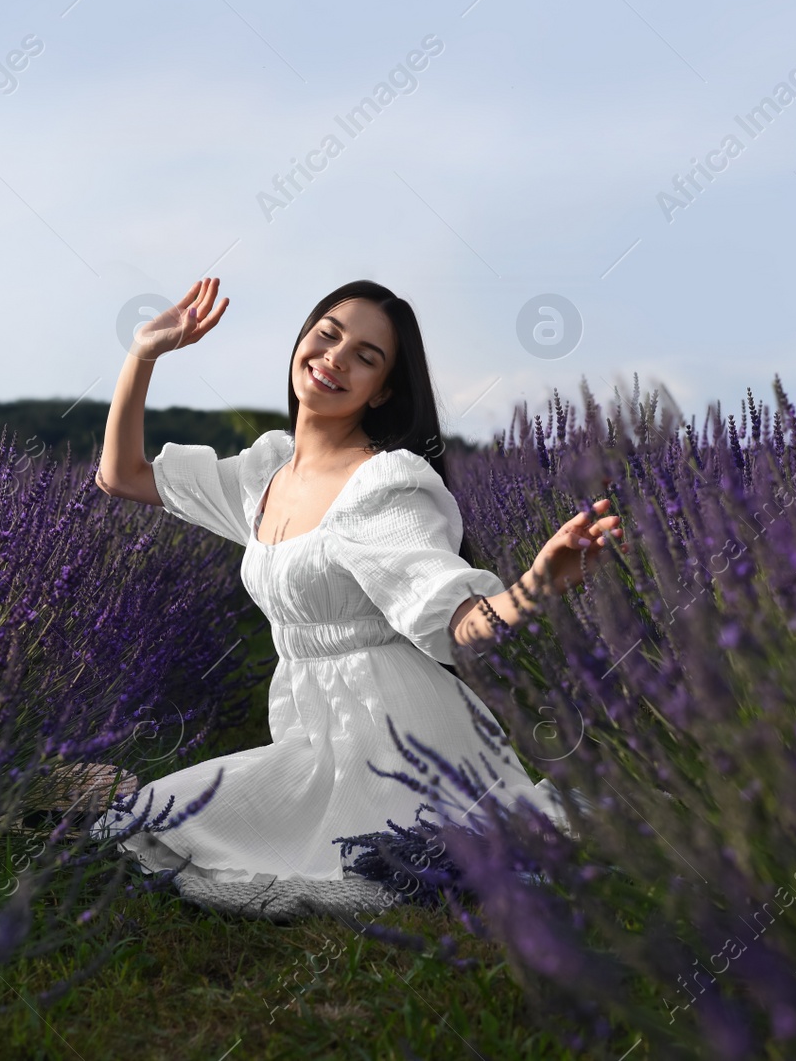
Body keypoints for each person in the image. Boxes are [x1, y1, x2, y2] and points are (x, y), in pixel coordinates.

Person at [88, 277, 622, 885]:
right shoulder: (264, 472)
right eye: (328, 335)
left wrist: (538, 583)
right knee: (159, 815)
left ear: (382, 389)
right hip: (314, 732)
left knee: (212, 829)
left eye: (366, 357)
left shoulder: (384, 484)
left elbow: (465, 627)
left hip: (400, 737)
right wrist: (144, 352)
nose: (336, 358)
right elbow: (122, 475)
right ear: (303, 341)